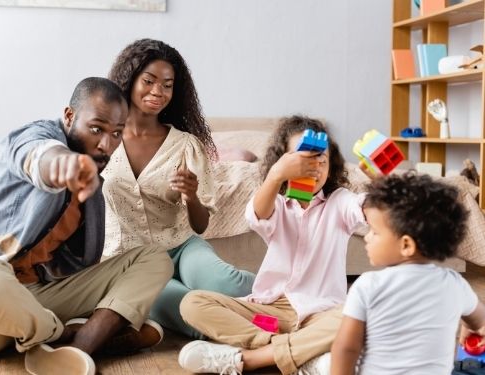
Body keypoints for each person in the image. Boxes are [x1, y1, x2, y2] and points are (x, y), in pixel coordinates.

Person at [0, 77, 173, 375]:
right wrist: (63, 163)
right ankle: (63, 337)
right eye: (96, 129)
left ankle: (80, 347)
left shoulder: (94, 186)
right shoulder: (31, 137)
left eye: (116, 133)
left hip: (38, 297)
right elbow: (37, 155)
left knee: (154, 257)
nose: (106, 144)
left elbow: (76, 265)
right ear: (69, 116)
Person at [177, 115, 369, 374]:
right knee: (192, 303)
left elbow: (367, 208)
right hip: (268, 318)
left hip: (319, 315)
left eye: (320, 160)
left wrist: (378, 182)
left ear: (330, 164)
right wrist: (277, 175)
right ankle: (285, 349)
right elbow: (257, 212)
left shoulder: (340, 201)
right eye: (300, 160)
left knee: (356, 313)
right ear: (281, 162)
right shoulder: (276, 203)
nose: (312, 167)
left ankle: (256, 357)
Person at [105, 38, 256, 338]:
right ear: (128, 80)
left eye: (167, 85)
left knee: (229, 286)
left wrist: (191, 196)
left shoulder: (187, 145)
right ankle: (271, 329)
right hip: (131, 263)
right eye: (148, 81)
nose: (158, 92)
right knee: (191, 310)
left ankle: (295, 304)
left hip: (182, 248)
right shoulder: (101, 138)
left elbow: (200, 225)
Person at [331, 172, 485, 375]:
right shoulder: (455, 284)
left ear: (406, 245)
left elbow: (346, 349)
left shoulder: (368, 285)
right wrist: (469, 325)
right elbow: (481, 321)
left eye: (375, 232)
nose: (367, 238)